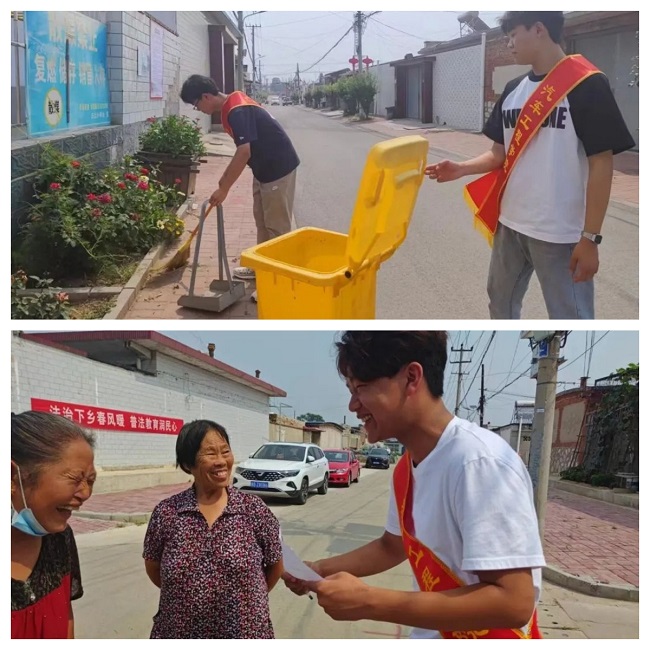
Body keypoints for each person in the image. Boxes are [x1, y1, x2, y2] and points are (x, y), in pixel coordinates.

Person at [283, 331, 546, 639]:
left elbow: (513, 603)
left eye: (362, 388)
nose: (353, 405)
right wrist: (319, 569)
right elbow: (392, 546)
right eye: (350, 390)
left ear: (411, 377)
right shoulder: (407, 467)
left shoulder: (479, 463)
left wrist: (370, 601)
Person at [426, 11, 635, 320]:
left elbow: (601, 165)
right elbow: (499, 154)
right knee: (500, 303)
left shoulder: (587, 84)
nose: (509, 44)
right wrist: (460, 168)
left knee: (571, 317)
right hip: (509, 225)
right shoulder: (513, 90)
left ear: (538, 29)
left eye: (513, 35)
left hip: (560, 233)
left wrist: (590, 238)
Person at [143, 419, 283, 638]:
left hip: (244, 631)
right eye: (210, 454)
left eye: (225, 451)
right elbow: (153, 566)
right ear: (188, 464)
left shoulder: (254, 510)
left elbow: (275, 565)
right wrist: (189, 600)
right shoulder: (167, 512)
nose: (221, 461)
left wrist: (248, 601)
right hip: (180, 631)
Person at [180, 75, 300, 301]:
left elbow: (244, 152)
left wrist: (224, 188)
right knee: (263, 223)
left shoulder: (236, 110)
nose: (199, 110)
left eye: (197, 104)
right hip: (264, 170)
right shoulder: (232, 104)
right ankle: (261, 269)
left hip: (278, 169)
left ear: (206, 96)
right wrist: (223, 183)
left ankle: (278, 284)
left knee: (277, 229)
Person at [11, 411, 96, 639]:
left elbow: (66, 617)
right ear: (11, 477)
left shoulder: (60, 538)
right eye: (75, 479)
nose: (85, 493)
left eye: (90, 481)